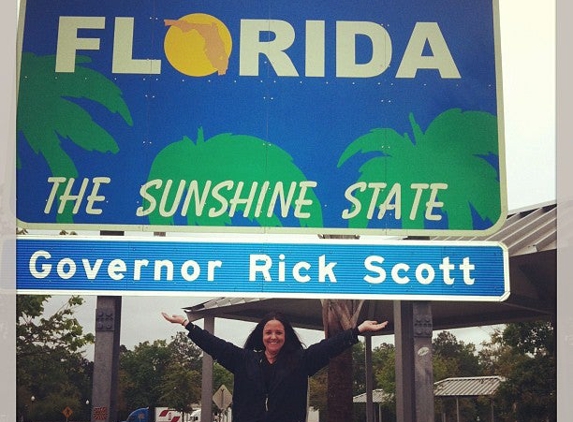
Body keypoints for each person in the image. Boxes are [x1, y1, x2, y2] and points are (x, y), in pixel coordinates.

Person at [162, 310, 388, 422]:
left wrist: (357, 331)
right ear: (261, 335)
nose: (273, 337)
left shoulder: (301, 361)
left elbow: (328, 347)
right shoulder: (244, 360)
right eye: (268, 332)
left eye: (278, 332)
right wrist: (186, 324)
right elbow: (216, 346)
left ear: (285, 335)